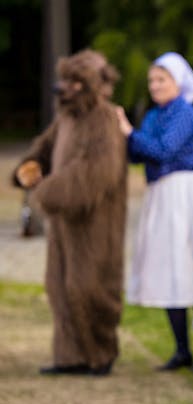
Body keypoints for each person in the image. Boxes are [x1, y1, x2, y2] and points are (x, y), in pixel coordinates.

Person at [13, 49, 127, 375]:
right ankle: (71, 355)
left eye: (75, 83)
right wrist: (28, 167)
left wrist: (47, 191)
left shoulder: (104, 119)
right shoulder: (66, 118)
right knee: (59, 285)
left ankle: (100, 353)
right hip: (63, 221)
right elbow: (44, 148)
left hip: (94, 223)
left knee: (89, 286)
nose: (65, 88)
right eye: (65, 81)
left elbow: (94, 172)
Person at [116, 52, 193, 371]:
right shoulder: (154, 115)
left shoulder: (185, 112)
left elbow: (162, 149)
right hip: (163, 194)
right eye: (152, 80)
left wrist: (129, 132)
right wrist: (130, 138)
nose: (155, 85)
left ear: (178, 82)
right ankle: (182, 349)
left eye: (161, 79)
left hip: (188, 194)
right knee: (171, 268)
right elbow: (137, 155)